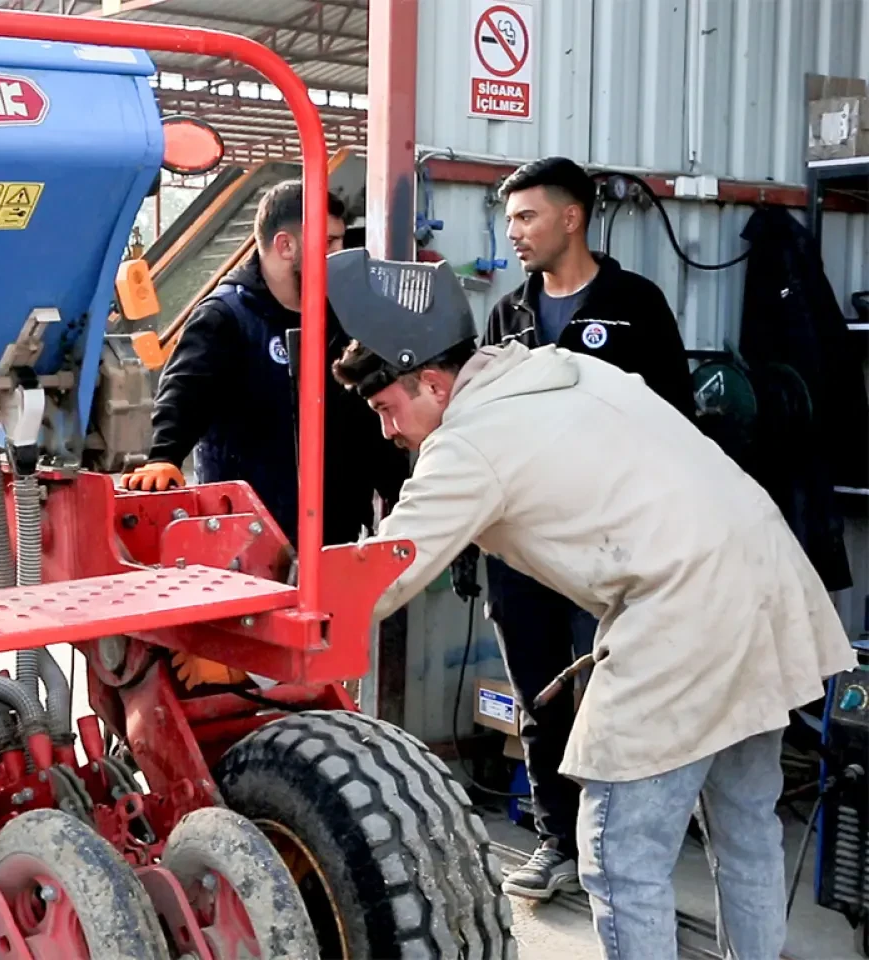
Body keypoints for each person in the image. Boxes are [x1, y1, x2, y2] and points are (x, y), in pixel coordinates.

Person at [326, 247, 854, 960]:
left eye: (389, 409)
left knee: (619, 855)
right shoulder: (553, 369)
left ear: (432, 383)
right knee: (747, 830)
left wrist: (271, 610)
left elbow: (381, 577)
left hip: (684, 608)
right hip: (765, 573)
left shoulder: (468, 444)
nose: (388, 431)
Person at [477, 156, 697, 901]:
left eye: (527, 217)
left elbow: (677, 426)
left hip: (612, 543)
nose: (514, 232)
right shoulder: (508, 313)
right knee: (539, 696)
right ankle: (555, 841)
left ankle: (625, 846)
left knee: (618, 693)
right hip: (524, 542)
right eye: (509, 220)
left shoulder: (637, 305)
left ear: (572, 217)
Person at [120, 180, 409, 697]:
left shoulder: (343, 323)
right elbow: (185, 392)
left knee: (318, 686)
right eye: (330, 243)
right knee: (247, 692)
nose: (339, 256)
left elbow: (369, 422)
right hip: (251, 552)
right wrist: (163, 457)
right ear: (284, 246)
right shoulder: (227, 319)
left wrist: (402, 495)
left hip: (332, 544)